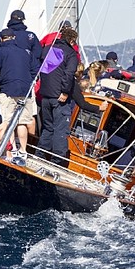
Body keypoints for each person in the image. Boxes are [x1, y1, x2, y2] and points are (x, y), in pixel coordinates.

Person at [0, 28, 38, 158]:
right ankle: (23, 151)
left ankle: (13, 149)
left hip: (8, 91)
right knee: (22, 122)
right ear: (14, 38)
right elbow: (35, 71)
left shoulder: (0, 51)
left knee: (7, 121)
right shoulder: (26, 52)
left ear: (1, 39)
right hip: (25, 91)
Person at [36, 28, 80, 166]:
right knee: (60, 129)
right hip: (59, 97)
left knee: (47, 127)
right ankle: (57, 161)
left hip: (45, 95)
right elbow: (69, 74)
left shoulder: (49, 49)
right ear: (72, 40)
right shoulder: (71, 54)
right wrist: (65, 92)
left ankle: (40, 155)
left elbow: (45, 71)